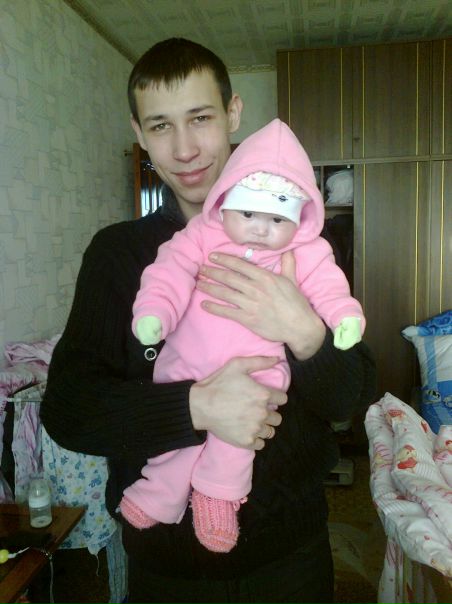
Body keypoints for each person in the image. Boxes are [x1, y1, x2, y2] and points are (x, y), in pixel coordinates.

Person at [40, 38, 376, 604]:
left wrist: (304, 330)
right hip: (166, 564)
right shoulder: (118, 254)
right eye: (161, 126)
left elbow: (352, 395)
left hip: (291, 554)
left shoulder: (304, 245)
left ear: (232, 114)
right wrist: (196, 407)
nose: (185, 149)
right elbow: (68, 410)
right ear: (140, 134)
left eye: (200, 118)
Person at [120, 118, 365, 554]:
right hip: (187, 360)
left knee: (239, 438)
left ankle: (218, 497)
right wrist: (155, 311)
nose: (259, 229)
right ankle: (159, 491)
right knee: (177, 438)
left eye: (276, 218)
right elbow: (169, 271)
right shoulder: (200, 234)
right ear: (225, 200)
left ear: (301, 216)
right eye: (248, 213)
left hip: (259, 371)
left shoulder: (306, 250)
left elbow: (329, 286)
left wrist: (342, 317)